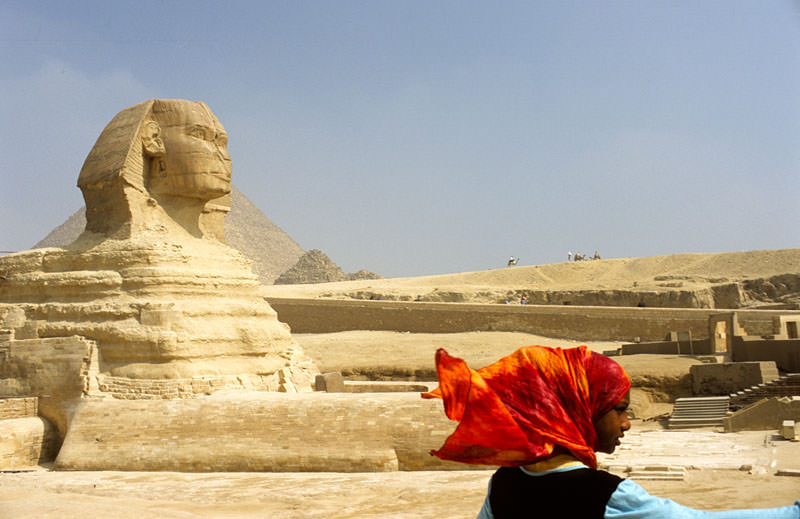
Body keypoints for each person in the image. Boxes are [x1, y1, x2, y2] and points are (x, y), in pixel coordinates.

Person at [422, 346, 800, 518]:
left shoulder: (503, 483)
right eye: (618, 410)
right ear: (577, 408)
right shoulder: (609, 496)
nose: (626, 423)